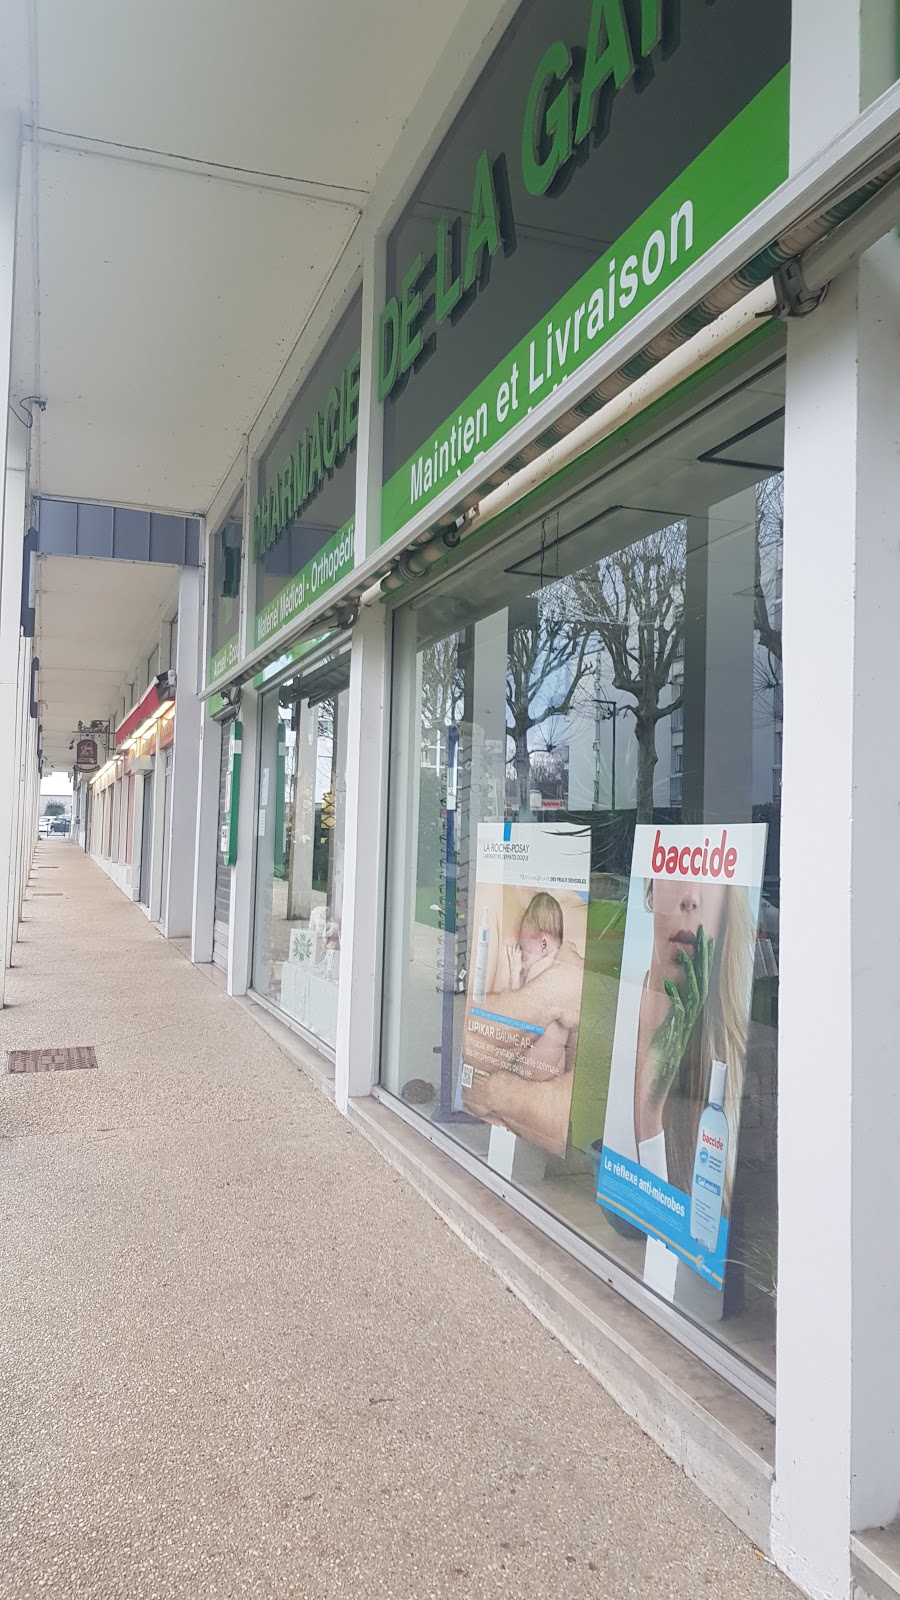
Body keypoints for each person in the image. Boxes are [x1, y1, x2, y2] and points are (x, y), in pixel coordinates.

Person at [630, 875, 754, 1207]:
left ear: (729, 903)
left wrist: (648, 1114)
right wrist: (649, 1109)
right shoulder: (623, 1006)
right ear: (651, 892)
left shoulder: (742, 1060)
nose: (690, 897)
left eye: (710, 876)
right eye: (676, 870)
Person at [463, 892, 583, 1153]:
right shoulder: (555, 969)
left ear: (542, 944)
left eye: (524, 952)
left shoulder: (547, 970)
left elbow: (524, 1008)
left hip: (538, 1072)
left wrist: (517, 972)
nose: (523, 959)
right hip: (549, 1072)